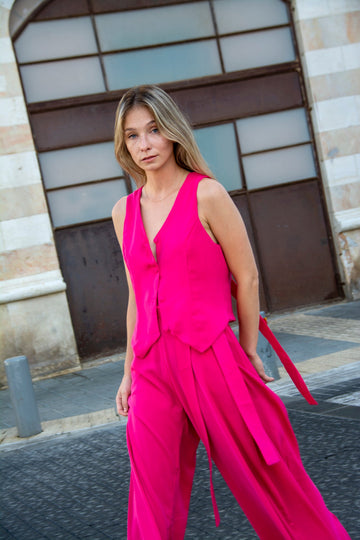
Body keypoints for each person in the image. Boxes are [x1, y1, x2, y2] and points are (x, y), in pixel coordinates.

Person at [112, 85, 351, 540]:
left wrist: (247, 350)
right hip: (151, 368)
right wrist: (127, 373)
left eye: (154, 130)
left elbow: (248, 277)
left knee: (266, 474)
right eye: (133, 135)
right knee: (149, 492)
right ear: (123, 145)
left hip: (210, 357)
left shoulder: (207, 194)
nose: (145, 144)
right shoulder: (123, 211)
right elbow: (135, 298)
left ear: (173, 133)